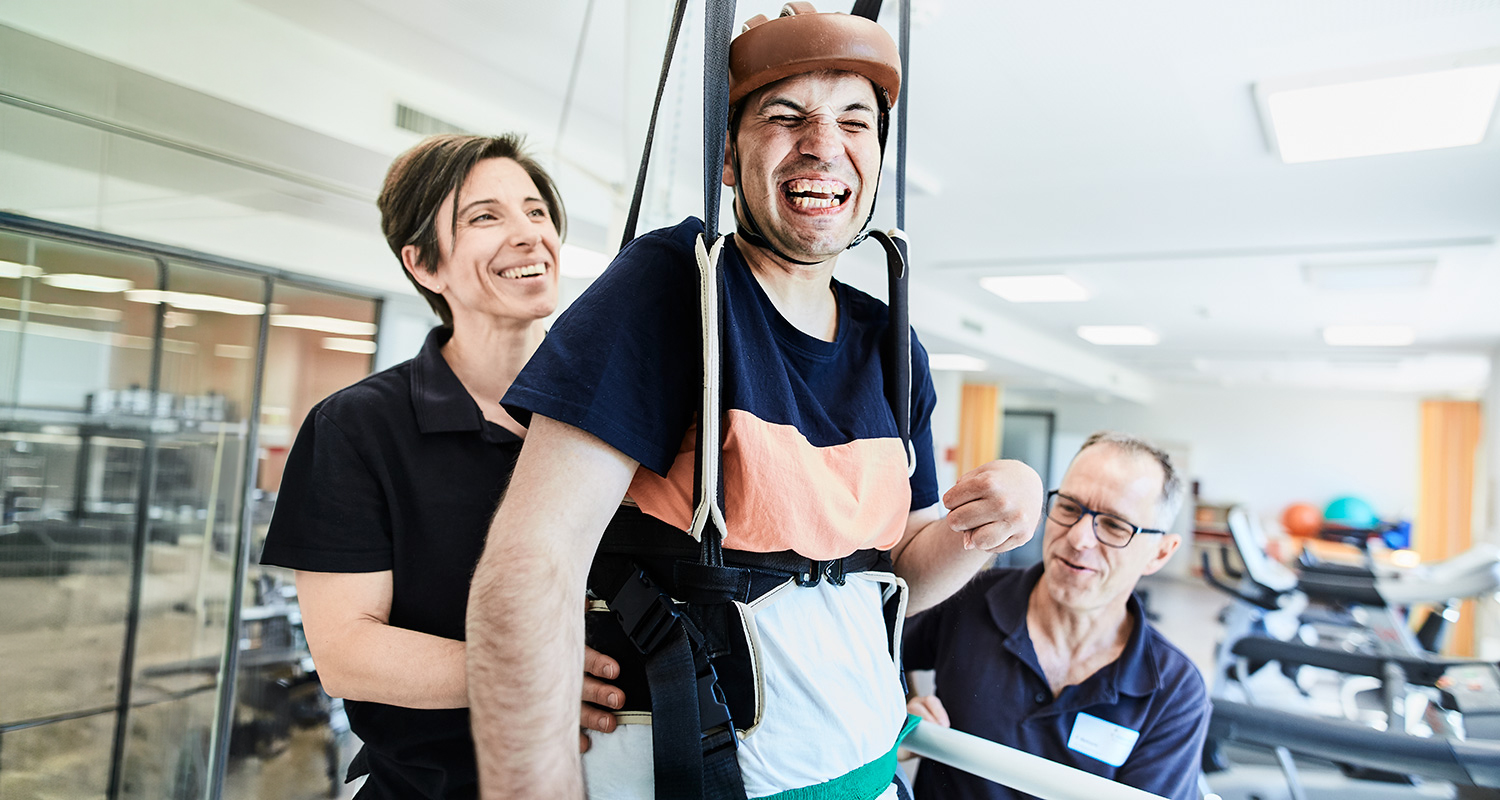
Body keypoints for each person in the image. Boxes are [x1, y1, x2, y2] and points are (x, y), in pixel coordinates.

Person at [465, 5, 1044, 799]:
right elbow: (533, 563)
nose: (825, 145)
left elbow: (906, 566)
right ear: (729, 159)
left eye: (855, 120)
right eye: (786, 115)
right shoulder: (674, 286)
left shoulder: (891, 345)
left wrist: (988, 526)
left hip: (868, 775)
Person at [258, 133, 618, 799]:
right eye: (485, 217)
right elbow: (347, 652)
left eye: (536, 212)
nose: (528, 234)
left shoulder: (616, 405)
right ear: (424, 264)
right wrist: (534, 678)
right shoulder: (358, 427)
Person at [902, 431, 1211, 800]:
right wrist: (898, 710)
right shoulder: (966, 597)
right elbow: (872, 645)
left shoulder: (1174, 691)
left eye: (1114, 525)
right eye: (1069, 507)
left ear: (1160, 553)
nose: (1078, 539)